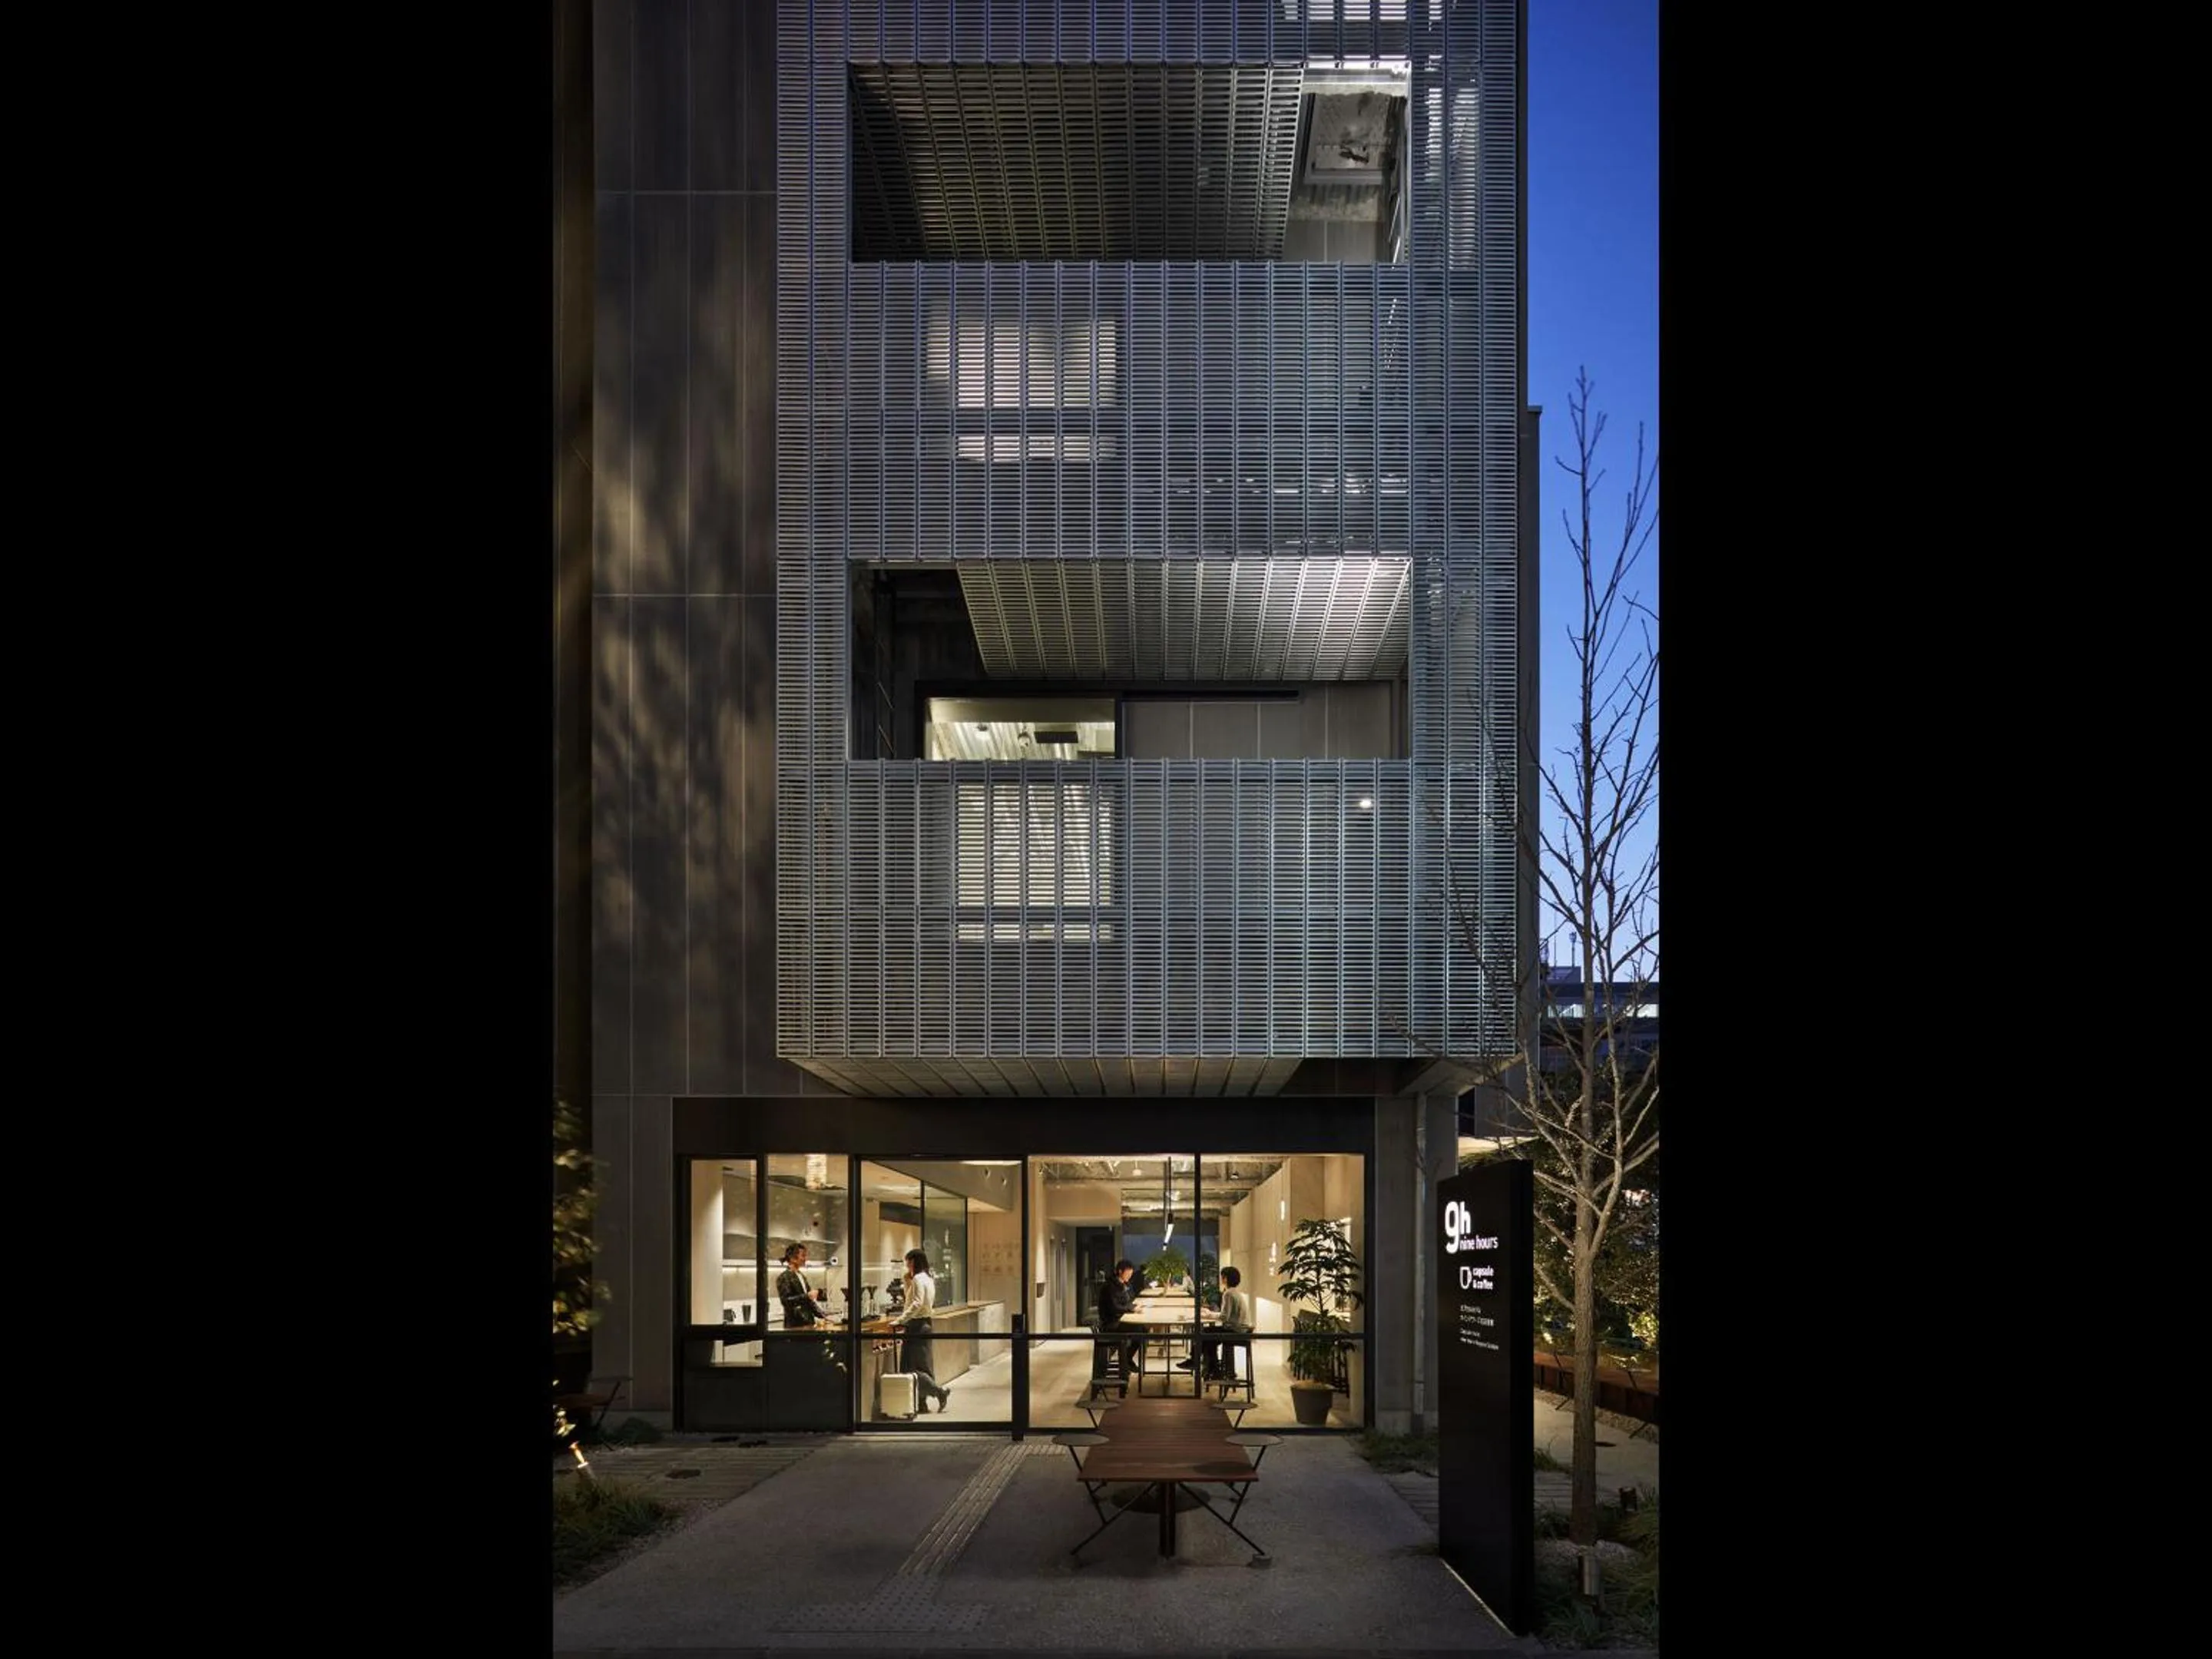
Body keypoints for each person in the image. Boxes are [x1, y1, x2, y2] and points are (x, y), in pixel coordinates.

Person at [899, 1249, 953, 1413]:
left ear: (914, 1261)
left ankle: (939, 1392)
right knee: (923, 1365)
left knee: (911, 1367)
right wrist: (906, 1280)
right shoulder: (928, 1278)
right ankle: (921, 1404)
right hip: (926, 1324)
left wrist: (901, 1320)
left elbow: (916, 1303)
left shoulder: (918, 1279)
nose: (906, 1264)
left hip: (916, 1325)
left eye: (908, 1261)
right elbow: (913, 1299)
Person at [1181, 1264, 1253, 1380]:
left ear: (1225, 1278)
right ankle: (1211, 1369)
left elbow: (1224, 1317)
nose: (1221, 1279)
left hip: (1235, 1332)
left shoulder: (1228, 1294)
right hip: (1242, 1330)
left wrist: (1209, 1314)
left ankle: (1201, 1364)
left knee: (1205, 1334)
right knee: (1208, 1336)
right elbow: (1226, 1316)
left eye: (1222, 1276)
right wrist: (1210, 1313)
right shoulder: (1235, 1292)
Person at [1096, 1258, 1141, 1396]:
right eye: (1128, 1274)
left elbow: (1130, 1300)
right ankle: (1126, 1360)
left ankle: (1127, 1359)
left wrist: (1132, 1306)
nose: (1129, 1277)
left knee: (1142, 1329)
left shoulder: (1122, 1284)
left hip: (1117, 1321)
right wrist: (1131, 1309)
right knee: (1140, 1330)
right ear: (1120, 1272)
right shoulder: (1110, 1286)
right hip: (1110, 1325)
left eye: (1131, 1275)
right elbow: (1115, 1308)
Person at [776, 1241, 827, 1327]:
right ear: (792, 1258)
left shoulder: (801, 1276)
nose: (805, 1258)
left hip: (808, 1323)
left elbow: (809, 1302)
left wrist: (824, 1316)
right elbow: (786, 1301)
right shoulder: (784, 1277)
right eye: (803, 1255)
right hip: (795, 1326)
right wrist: (807, 1296)